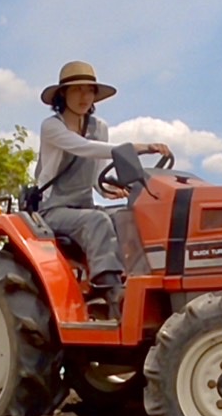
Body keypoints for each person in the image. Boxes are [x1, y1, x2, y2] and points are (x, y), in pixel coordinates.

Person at [35, 60, 170, 306]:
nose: (84, 96)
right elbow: (84, 148)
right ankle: (108, 289)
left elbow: (95, 168)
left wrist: (106, 188)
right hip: (53, 209)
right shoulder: (52, 126)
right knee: (96, 220)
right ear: (63, 94)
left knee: (126, 215)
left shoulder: (100, 127)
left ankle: (141, 280)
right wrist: (136, 148)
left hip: (83, 204)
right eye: (76, 90)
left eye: (89, 90)